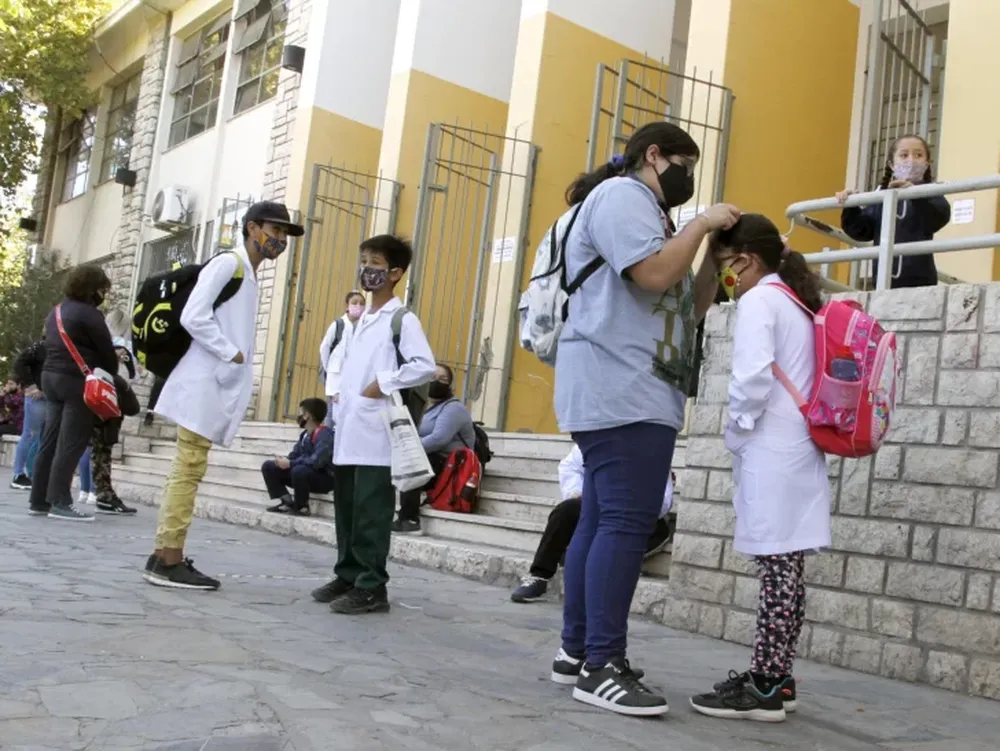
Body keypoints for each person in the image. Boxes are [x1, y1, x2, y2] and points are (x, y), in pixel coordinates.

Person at [551, 121, 740, 717]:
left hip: (628, 387)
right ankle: (601, 665)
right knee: (627, 525)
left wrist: (707, 252)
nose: (687, 177)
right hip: (620, 386)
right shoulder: (623, 197)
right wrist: (702, 222)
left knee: (602, 518)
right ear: (653, 156)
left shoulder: (652, 218)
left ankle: (578, 652)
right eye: (683, 162)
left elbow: (687, 304)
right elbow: (654, 275)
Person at [688, 213, 830, 722]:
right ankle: (780, 676)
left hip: (771, 445)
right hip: (799, 447)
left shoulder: (759, 301)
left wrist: (736, 429)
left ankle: (765, 684)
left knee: (776, 569)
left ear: (744, 260)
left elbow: (749, 380)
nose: (724, 278)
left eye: (725, 266)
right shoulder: (795, 299)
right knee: (789, 569)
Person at [143, 201, 303, 590]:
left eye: (284, 234)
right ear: (252, 228)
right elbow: (193, 315)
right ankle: (168, 559)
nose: (280, 239)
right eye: (274, 230)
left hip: (211, 384)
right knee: (189, 468)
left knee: (187, 469)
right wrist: (230, 351)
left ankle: (165, 551)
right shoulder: (228, 264)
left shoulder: (246, 273)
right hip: (202, 383)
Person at [311, 234, 435, 615]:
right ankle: (347, 573)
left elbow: (424, 366)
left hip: (377, 434)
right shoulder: (359, 319)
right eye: (363, 260)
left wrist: (381, 383)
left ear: (395, 273)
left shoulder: (401, 319)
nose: (367, 269)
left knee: (371, 510)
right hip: (349, 429)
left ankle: (371, 584)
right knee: (347, 508)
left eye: (376, 263)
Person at [510, 444, 675, 604]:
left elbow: (663, 501)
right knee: (566, 510)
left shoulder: (651, 447)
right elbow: (570, 466)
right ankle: (539, 576)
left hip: (631, 512)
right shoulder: (597, 439)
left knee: (654, 531)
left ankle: (587, 557)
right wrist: (580, 494)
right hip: (596, 504)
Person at [28, 265, 118, 521]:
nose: (103, 294)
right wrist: (110, 373)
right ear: (92, 289)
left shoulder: (55, 311)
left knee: (49, 440)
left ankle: (39, 500)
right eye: (102, 289)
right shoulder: (90, 315)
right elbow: (106, 352)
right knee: (71, 443)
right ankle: (60, 502)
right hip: (77, 382)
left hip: (51, 378)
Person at [837, 134, 950, 288]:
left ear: (926, 163)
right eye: (904, 155)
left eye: (919, 155)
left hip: (921, 281)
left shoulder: (931, 193)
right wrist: (851, 206)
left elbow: (939, 217)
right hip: (883, 280)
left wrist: (916, 195)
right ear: (891, 164)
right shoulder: (881, 196)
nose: (911, 160)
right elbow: (861, 231)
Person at [391, 363, 475, 534]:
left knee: (414, 463)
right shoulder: (429, 408)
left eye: (442, 379)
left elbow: (439, 439)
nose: (436, 382)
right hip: (435, 460)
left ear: (450, 384)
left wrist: (409, 449)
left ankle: (410, 519)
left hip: (451, 466)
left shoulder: (454, 408)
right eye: (432, 378)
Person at [84, 335, 139, 514]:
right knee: (102, 458)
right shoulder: (115, 380)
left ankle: (96, 493)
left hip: (93, 423)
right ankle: (105, 496)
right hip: (108, 425)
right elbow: (133, 408)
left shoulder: (91, 377)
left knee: (94, 455)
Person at [260, 397, 335, 515]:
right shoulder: (305, 435)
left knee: (299, 470)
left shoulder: (325, 435)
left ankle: (302, 507)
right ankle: (287, 502)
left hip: (324, 478)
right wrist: (283, 461)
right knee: (269, 466)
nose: (299, 417)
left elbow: (316, 462)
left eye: (301, 413)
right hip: (302, 474)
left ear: (307, 415)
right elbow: (295, 455)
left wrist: (291, 463)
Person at [318, 290, 365, 429]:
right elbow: (325, 348)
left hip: (354, 378)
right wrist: (329, 368)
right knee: (332, 411)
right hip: (336, 377)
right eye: (354, 303)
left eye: (362, 304)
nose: (358, 306)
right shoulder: (338, 325)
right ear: (347, 306)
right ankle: (328, 442)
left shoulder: (363, 327)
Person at [10, 337, 46, 489]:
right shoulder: (40, 346)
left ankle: (32, 474)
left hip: (49, 396)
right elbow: (19, 363)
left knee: (42, 437)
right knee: (31, 435)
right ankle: (19, 475)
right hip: (37, 397)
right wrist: (31, 385)